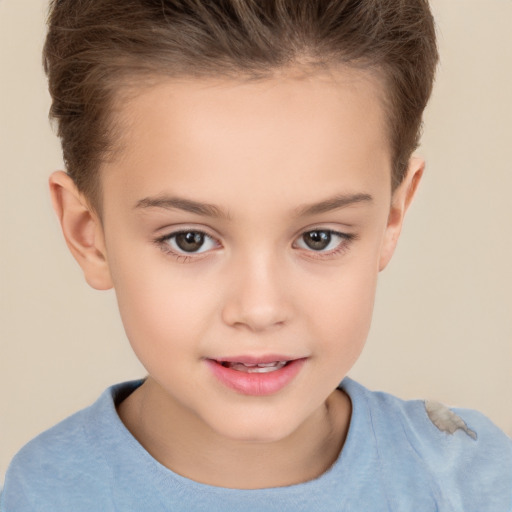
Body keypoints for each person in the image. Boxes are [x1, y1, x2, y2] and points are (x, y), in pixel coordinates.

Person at [1, 0, 511, 510]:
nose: (260, 309)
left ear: (391, 219)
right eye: (189, 240)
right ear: (88, 233)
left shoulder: (471, 483)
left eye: (319, 238)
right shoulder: (45, 495)